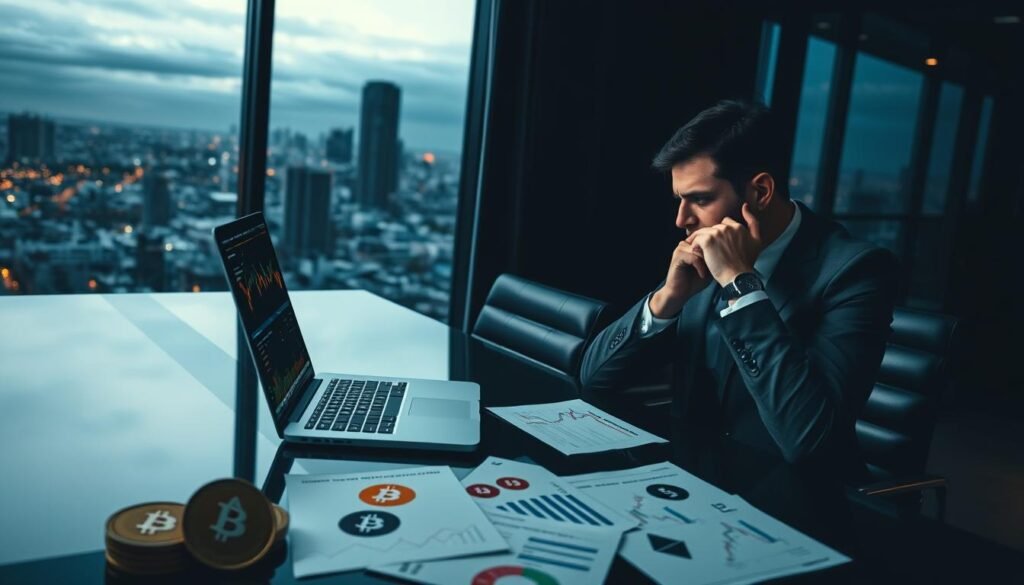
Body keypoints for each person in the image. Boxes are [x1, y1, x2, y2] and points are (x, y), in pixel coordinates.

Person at [580, 100, 897, 470]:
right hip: (695, 481)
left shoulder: (856, 271)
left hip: (794, 500)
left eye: (700, 199)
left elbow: (812, 442)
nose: (681, 219)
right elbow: (593, 379)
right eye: (679, 200)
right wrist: (667, 299)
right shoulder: (699, 257)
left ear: (760, 192)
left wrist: (739, 285)